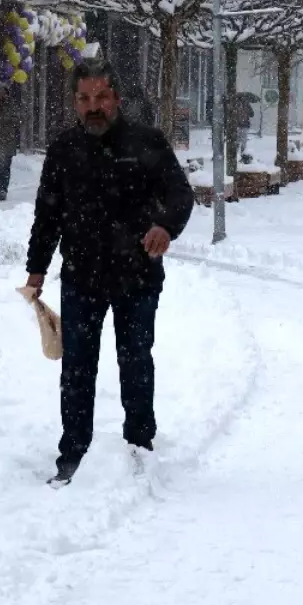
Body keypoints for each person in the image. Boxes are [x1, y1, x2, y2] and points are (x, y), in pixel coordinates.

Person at [24, 58, 195, 487]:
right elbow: (47, 214)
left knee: (135, 361)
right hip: (82, 277)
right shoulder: (64, 150)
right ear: (74, 103)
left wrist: (164, 226)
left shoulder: (147, 142)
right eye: (84, 99)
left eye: (101, 97)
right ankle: (73, 455)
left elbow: (179, 194)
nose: (93, 106)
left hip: (137, 276)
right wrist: (36, 270)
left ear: (116, 98)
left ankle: (138, 447)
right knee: (77, 368)